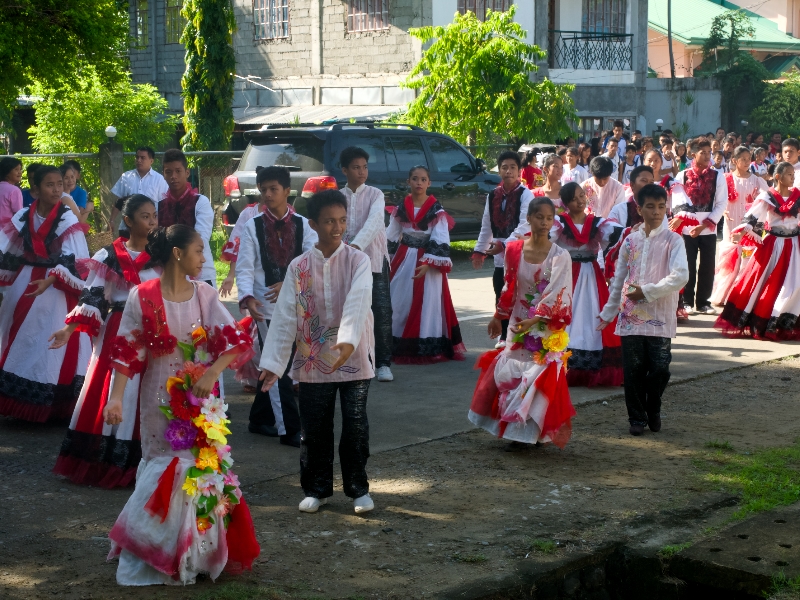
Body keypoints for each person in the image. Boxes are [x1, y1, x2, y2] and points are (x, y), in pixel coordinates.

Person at [103, 224, 258, 585]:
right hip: (158, 399)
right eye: (199, 251)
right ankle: (156, 550)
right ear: (177, 253)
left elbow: (234, 340)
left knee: (200, 467)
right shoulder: (142, 295)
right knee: (164, 464)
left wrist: (211, 373)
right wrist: (115, 400)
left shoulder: (203, 294)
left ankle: (198, 554)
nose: (205, 258)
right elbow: (126, 353)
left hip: (202, 402)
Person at [258, 189, 376, 515]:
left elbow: (359, 299)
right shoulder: (298, 267)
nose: (336, 228)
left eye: (341, 220)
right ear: (313, 224)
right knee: (314, 429)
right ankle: (317, 488)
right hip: (312, 358)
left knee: (355, 427)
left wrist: (349, 338)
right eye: (328, 222)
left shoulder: (358, 260)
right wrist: (273, 364)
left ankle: (357, 489)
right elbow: (285, 318)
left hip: (353, 355)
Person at [51, 195, 160, 488]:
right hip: (118, 327)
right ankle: (109, 461)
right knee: (113, 390)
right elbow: (92, 297)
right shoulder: (108, 255)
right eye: (145, 217)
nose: (152, 222)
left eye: (154, 216)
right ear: (128, 221)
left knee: (150, 389)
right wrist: (69, 329)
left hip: (153, 330)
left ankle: (149, 464)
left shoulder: (162, 254)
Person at [469, 197, 575, 446]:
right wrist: (498, 316)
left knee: (537, 375)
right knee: (514, 374)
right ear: (528, 218)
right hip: (518, 322)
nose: (545, 223)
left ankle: (532, 432)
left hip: (545, 326)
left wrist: (536, 320)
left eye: (549, 218)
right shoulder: (514, 250)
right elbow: (509, 287)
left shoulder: (560, 256)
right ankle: (516, 433)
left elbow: (559, 293)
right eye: (540, 217)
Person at [0, 165, 91, 422]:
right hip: (27, 281)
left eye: (59, 184)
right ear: (35, 190)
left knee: (49, 337)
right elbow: (7, 248)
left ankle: (54, 404)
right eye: (50, 185)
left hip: (55, 287)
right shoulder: (22, 216)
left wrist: (51, 279)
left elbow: (76, 258)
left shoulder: (67, 218)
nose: (56, 189)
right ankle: (21, 397)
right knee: (20, 334)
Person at [598, 184, 689, 436]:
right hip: (631, 314)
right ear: (639, 209)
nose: (657, 211)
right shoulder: (630, 241)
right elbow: (619, 279)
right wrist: (608, 312)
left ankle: (654, 406)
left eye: (661, 206)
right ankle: (636, 417)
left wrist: (647, 291)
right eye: (650, 206)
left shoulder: (674, 240)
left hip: (660, 313)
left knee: (660, 367)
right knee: (633, 368)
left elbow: (680, 276)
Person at [236, 166, 317, 446]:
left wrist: (289, 283)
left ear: (287, 191)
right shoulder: (252, 225)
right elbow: (244, 267)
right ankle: (290, 430)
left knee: (282, 362)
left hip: (296, 303)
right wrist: (248, 298)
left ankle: (259, 418)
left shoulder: (304, 224)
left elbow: (311, 262)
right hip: (266, 307)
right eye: (263, 189)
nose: (267, 194)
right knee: (276, 365)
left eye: (273, 189)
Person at [387, 166, 465, 364]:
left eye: (423, 179)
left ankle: (425, 343)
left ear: (429, 183)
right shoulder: (401, 207)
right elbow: (391, 234)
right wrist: (385, 257)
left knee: (428, 302)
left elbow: (440, 237)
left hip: (427, 260)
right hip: (403, 258)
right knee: (399, 299)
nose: (419, 183)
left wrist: (429, 263)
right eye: (415, 179)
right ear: (408, 182)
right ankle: (393, 342)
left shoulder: (436, 210)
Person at [715, 161, 800, 339]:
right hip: (774, 245)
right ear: (778, 177)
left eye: (793, 174)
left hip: (794, 244)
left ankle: (785, 322)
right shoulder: (768, 197)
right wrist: (740, 232)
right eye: (789, 174)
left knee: (794, 284)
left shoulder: (797, 196)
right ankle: (766, 324)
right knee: (768, 284)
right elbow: (752, 216)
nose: (793, 177)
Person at [550, 183, 623, 387]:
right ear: (565, 203)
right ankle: (562, 362)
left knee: (593, 315)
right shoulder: (558, 223)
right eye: (574, 198)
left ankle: (590, 365)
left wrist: (632, 231)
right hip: (567, 275)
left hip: (591, 275)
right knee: (568, 314)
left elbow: (617, 234)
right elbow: (544, 240)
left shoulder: (598, 223)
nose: (580, 201)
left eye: (582, 196)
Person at [339, 146, 394, 382]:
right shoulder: (337, 196)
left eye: (365, 167)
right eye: (356, 167)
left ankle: (382, 363)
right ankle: (350, 359)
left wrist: (356, 247)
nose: (362, 172)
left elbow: (373, 224)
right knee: (346, 311)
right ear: (344, 170)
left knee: (381, 310)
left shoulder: (375, 194)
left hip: (373, 259)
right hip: (344, 261)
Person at [472, 151, 534, 345]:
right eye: (504, 167)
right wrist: (479, 251)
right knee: (500, 289)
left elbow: (526, 224)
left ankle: (521, 333)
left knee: (520, 292)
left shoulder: (526, 194)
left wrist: (505, 244)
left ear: (519, 171)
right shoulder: (493, 195)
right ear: (499, 171)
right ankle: (504, 333)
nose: (508, 171)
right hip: (500, 254)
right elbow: (487, 226)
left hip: (520, 249)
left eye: (512, 167)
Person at [671, 138, 727, 315]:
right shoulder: (683, 175)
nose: (707, 155)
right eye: (703, 152)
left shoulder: (717, 176)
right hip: (686, 228)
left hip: (708, 228)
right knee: (687, 264)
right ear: (693, 154)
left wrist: (703, 226)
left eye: (709, 152)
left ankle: (703, 301)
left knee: (707, 265)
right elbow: (677, 201)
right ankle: (687, 300)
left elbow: (721, 203)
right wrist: (684, 221)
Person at [709, 146, 769, 307]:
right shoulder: (726, 178)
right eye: (743, 159)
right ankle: (724, 294)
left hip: (749, 223)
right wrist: (723, 211)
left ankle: (742, 293)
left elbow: (768, 198)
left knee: (748, 256)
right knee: (730, 255)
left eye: (748, 158)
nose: (746, 162)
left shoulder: (757, 180)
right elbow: (718, 200)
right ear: (734, 160)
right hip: (731, 221)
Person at [158, 148, 216, 286]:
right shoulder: (158, 206)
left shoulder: (200, 202)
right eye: (168, 172)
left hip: (200, 271)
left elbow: (201, 237)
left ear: (187, 173)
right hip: (169, 272)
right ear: (163, 175)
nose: (173, 176)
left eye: (178, 171)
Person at [110, 147, 169, 233]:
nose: (139, 160)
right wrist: (111, 220)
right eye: (137, 157)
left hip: (150, 230)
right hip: (127, 228)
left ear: (151, 161)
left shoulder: (160, 180)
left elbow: (164, 206)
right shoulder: (126, 177)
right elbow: (119, 201)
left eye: (143, 158)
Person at [0, 157, 23, 225]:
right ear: (7, 172)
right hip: (6, 232)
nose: (20, 172)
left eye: (20, 169)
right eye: (16, 169)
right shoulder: (14, 190)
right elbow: (19, 215)